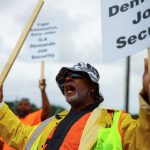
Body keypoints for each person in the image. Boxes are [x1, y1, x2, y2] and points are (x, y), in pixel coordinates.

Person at [0, 59, 149, 150]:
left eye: (76, 75)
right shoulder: (51, 123)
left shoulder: (115, 121)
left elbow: (142, 141)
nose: (67, 79)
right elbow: (20, 135)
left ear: (92, 87)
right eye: (65, 78)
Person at [0, 79, 51, 150]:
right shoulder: (9, 118)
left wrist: (43, 90)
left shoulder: (34, 116)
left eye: (26, 104)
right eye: (20, 104)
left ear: (30, 107)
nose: (23, 106)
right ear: (17, 106)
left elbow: (46, 110)